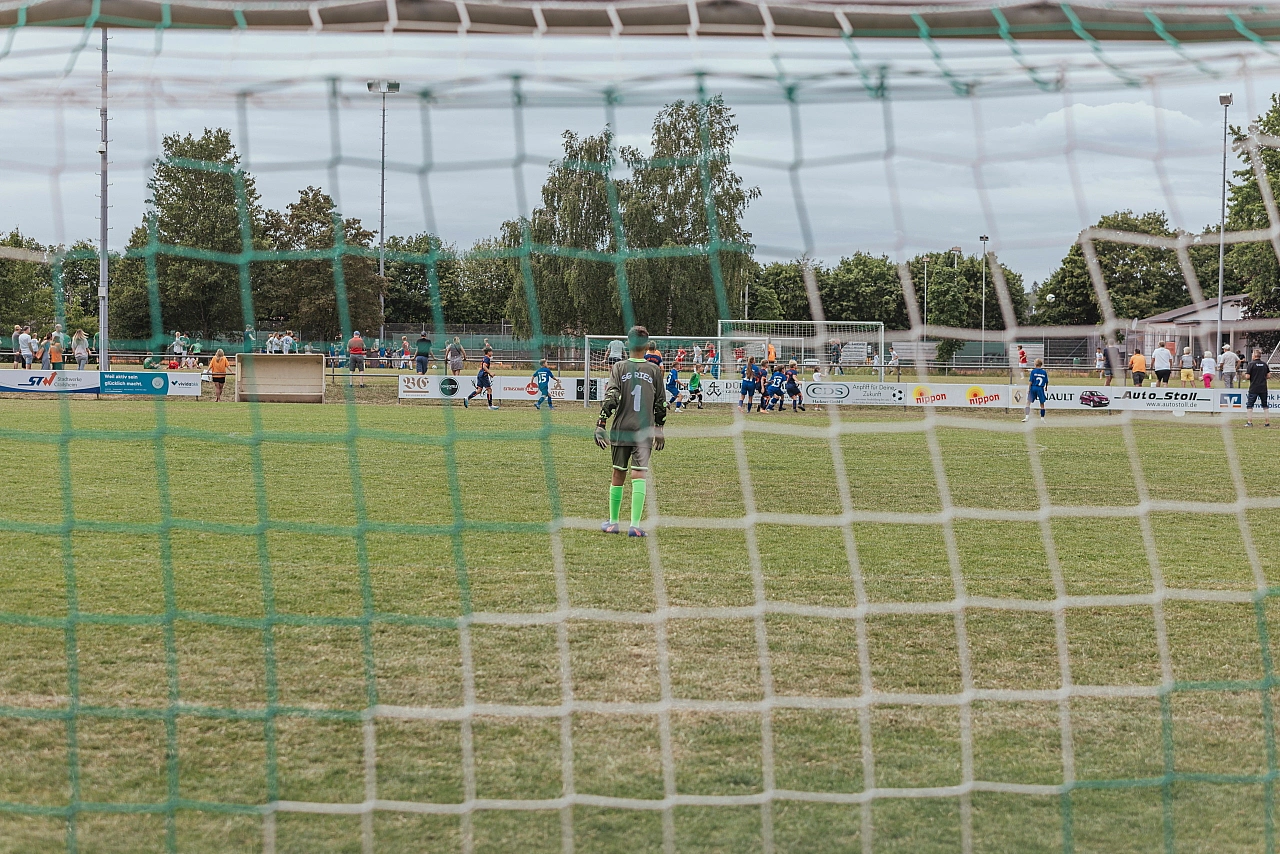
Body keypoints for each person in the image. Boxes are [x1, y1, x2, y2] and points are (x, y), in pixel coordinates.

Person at [594, 325, 666, 537]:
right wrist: (659, 428)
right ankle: (635, 525)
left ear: (627, 344)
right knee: (639, 474)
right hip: (644, 430)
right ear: (647, 345)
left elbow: (612, 397)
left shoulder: (619, 367)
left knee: (618, 472)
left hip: (621, 429)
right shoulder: (654, 370)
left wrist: (601, 423)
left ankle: (613, 523)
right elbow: (661, 403)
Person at [1245, 348, 1271, 427]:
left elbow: (1247, 376)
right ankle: (1267, 422)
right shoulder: (1264, 364)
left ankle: (1249, 422)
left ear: (1254, 355)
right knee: (1265, 405)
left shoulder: (1251, 364)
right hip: (1263, 387)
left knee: (1250, 405)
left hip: (1254, 387)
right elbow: (1269, 376)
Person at [1023, 358, 1049, 422]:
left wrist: (1029, 389)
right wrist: (1046, 387)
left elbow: (1030, 381)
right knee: (1042, 403)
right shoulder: (1044, 372)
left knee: (1028, 402)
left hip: (1033, 387)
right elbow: (1046, 381)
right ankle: (1042, 418)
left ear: (1035, 364)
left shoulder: (1033, 371)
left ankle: (1027, 417)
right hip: (1040, 388)